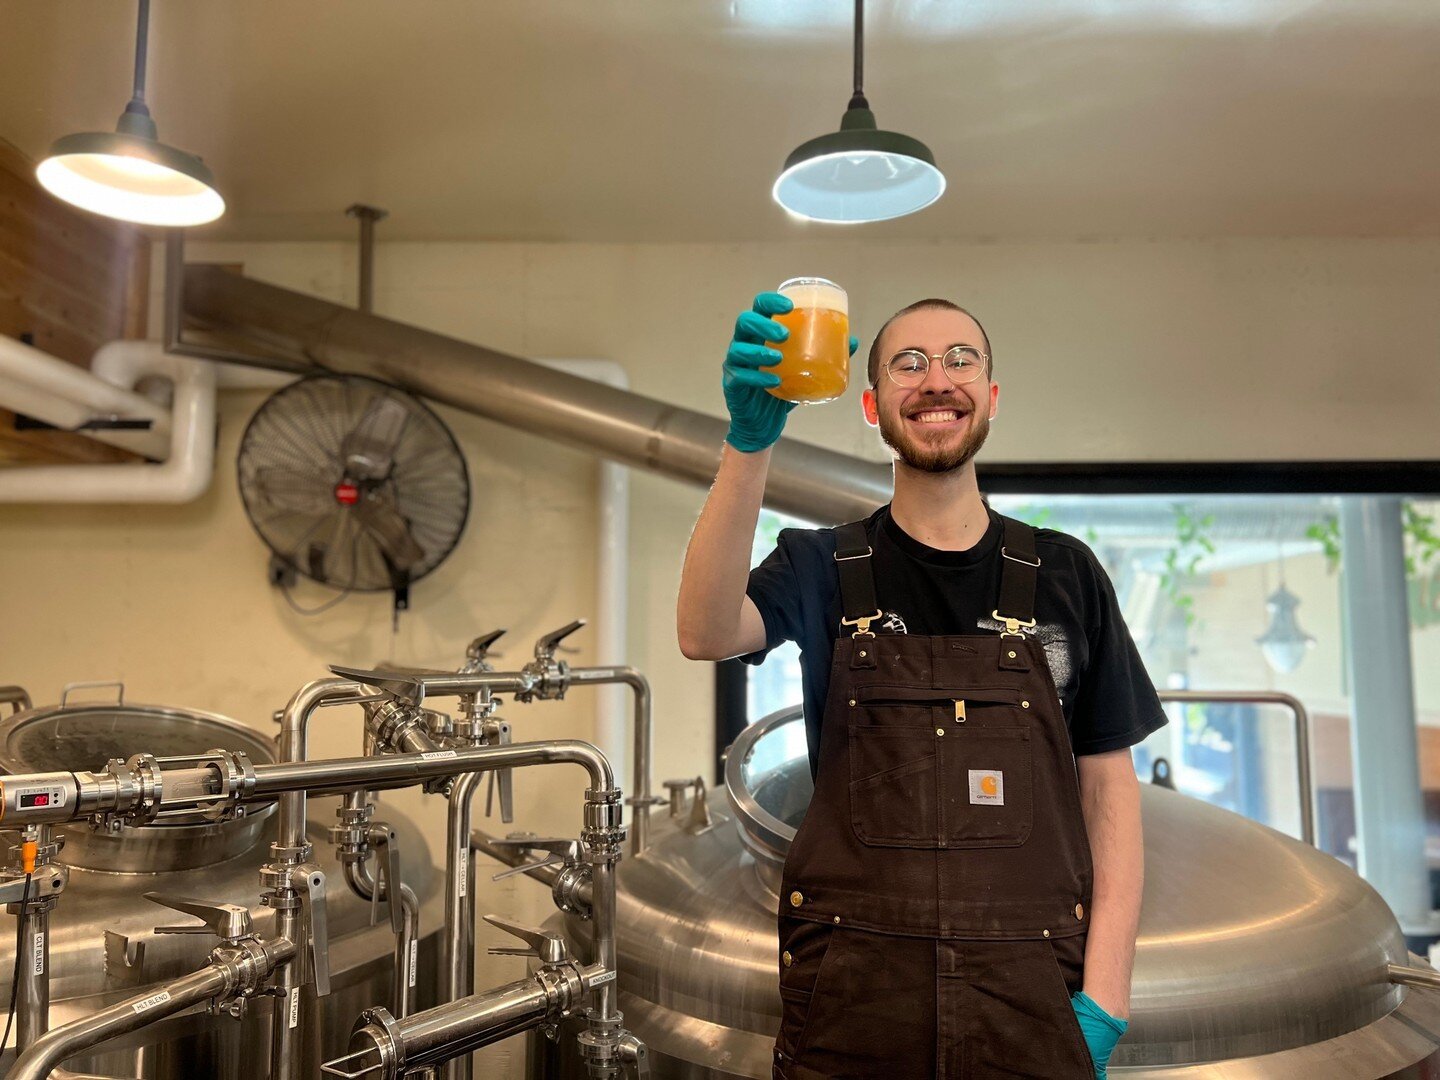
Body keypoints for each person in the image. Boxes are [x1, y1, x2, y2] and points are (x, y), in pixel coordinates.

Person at [676, 292, 1166, 1080]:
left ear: (992, 398)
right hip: (850, 1002)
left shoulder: (1067, 572)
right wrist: (748, 445)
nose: (936, 381)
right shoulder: (818, 565)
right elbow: (703, 631)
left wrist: (1106, 999)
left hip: (1033, 998)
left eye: (959, 360)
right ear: (872, 406)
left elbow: (1109, 789)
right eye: (908, 364)